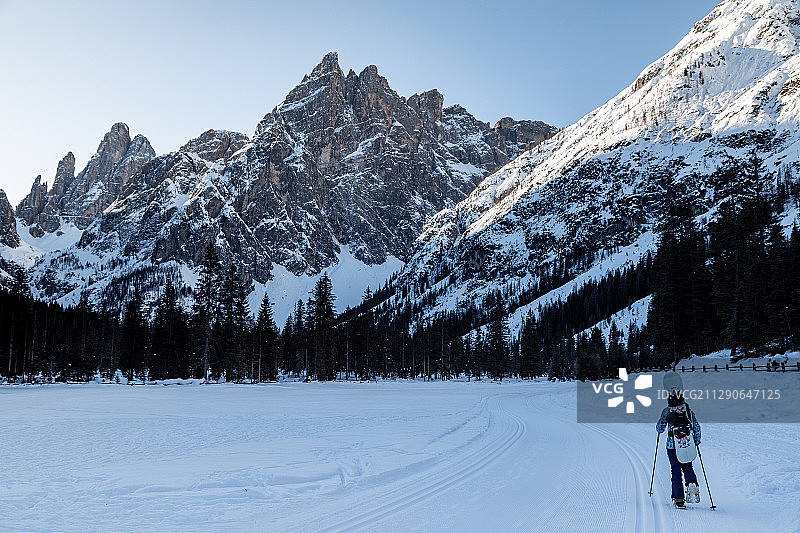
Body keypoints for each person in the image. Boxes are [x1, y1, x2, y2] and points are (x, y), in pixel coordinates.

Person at [656, 391, 701, 507]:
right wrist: (696, 441)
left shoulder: (666, 411)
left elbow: (660, 428)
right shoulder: (687, 410)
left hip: (672, 445)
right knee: (687, 466)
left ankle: (679, 499)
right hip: (686, 443)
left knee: (675, 471)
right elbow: (696, 427)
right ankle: (691, 483)